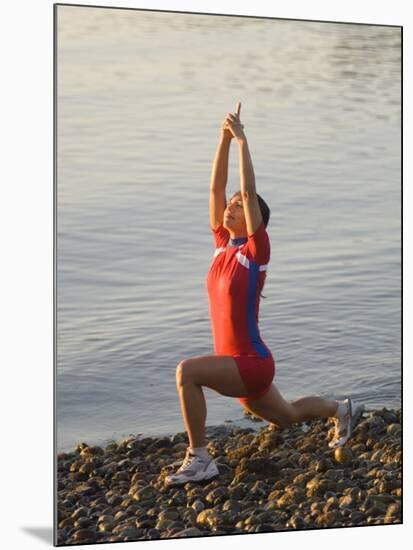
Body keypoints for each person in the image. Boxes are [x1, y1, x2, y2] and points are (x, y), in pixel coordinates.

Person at [165, 102, 364, 487]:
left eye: (239, 207)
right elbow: (215, 187)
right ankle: (343, 409)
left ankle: (200, 458)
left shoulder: (255, 254)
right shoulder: (222, 246)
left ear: (254, 217)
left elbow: (250, 190)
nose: (230, 207)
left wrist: (242, 142)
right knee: (287, 415)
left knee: (187, 373)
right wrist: (221, 140)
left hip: (250, 363)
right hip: (241, 365)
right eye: (232, 204)